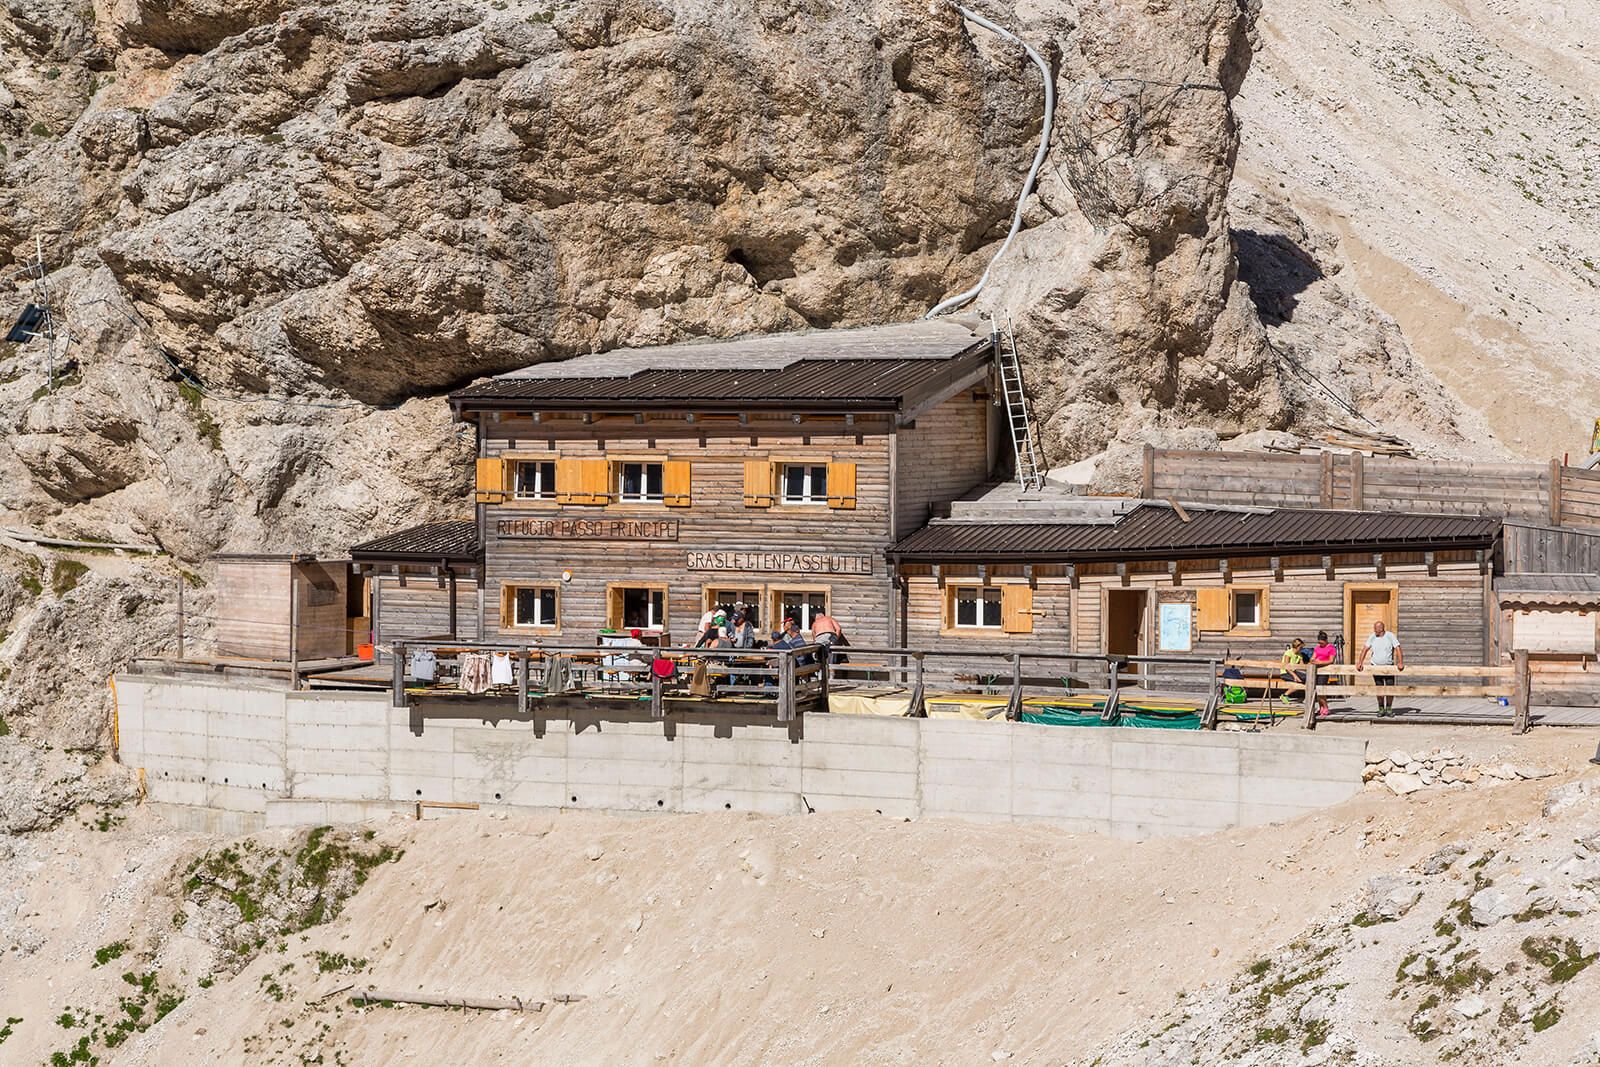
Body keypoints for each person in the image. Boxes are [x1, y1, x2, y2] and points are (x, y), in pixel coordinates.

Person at [1357, 620, 1403, 715]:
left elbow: (1398, 648)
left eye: (1375, 628)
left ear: (1381, 628)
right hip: (1376, 666)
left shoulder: (1390, 636)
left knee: (1390, 688)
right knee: (1379, 688)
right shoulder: (1372, 636)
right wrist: (1360, 662)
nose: (1374, 630)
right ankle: (1381, 708)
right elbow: (1365, 649)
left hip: (1388, 667)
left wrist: (1400, 662)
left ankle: (1389, 708)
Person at [1310, 630, 1339, 717]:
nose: (1320, 644)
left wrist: (1320, 662)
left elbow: (1331, 660)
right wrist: (1313, 660)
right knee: (1316, 690)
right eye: (1319, 642)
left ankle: (1325, 707)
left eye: (1322, 643)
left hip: (1325, 670)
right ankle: (1321, 707)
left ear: (1326, 640)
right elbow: (1313, 657)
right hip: (1316, 670)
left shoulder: (1331, 648)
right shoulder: (1317, 648)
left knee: (1321, 690)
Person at [1279, 638, 1310, 705]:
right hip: (1285, 672)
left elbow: (1302, 666)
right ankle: (1284, 695)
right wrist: (1295, 676)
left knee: (1307, 678)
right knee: (1299, 682)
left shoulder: (1299, 654)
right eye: (1301, 647)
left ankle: (1308, 697)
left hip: (1293, 672)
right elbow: (1287, 667)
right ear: (1297, 646)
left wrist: (1309, 666)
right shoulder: (1288, 653)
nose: (1302, 649)